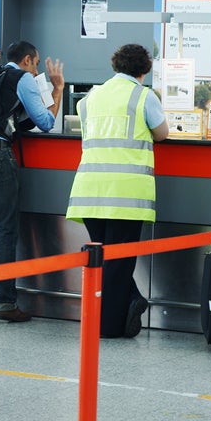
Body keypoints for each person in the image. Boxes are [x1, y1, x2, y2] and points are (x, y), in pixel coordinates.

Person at [67, 43, 168, 338]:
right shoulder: (143, 96)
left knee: (104, 260)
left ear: (115, 66)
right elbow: (162, 134)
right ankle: (107, 327)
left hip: (89, 191)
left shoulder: (89, 98)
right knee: (118, 263)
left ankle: (130, 303)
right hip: (125, 195)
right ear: (145, 69)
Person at [0, 40, 65, 323]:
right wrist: (57, 89)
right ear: (29, 60)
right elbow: (45, 121)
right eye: (35, 64)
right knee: (5, 231)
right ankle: (5, 303)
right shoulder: (22, 79)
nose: (35, 70)